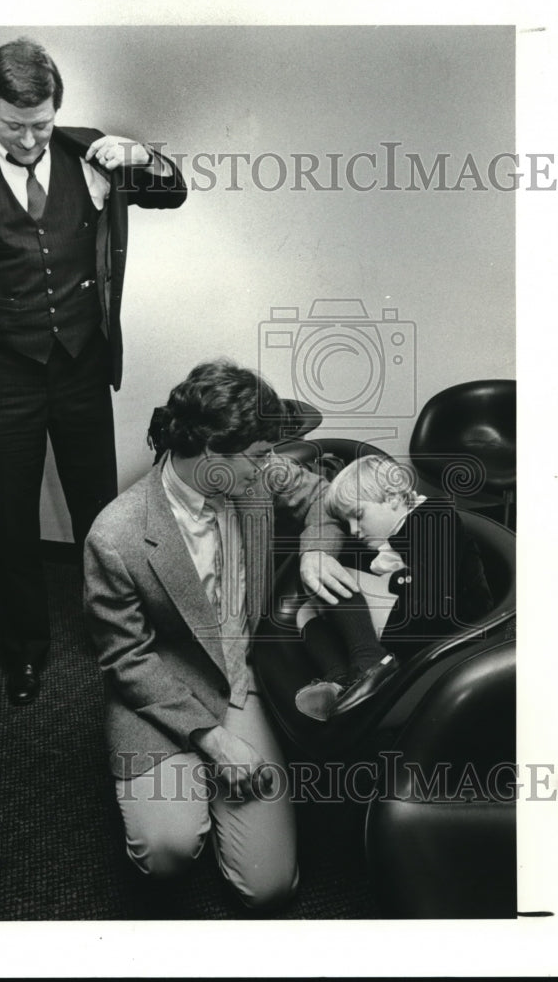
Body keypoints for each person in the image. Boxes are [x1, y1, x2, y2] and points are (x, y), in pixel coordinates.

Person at [0, 38, 187, 705]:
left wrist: (142, 156)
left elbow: (174, 192)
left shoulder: (89, 152)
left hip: (79, 365)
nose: (26, 139)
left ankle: (115, 639)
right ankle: (24, 649)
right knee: (12, 517)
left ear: (57, 111)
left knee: (98, 510)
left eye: (40, 124)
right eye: (13, 125)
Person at [83, 360, 355, 910]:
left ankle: (208, 796)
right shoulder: (115, 536)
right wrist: (213, 741)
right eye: (258, 457)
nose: (271, 467)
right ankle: (185, 799)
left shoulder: (255, 472)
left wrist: (315, 549)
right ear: (212, 457)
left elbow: (324, 500)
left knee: (269, 887)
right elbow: (127, 660)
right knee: (166, 852)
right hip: (164, 690)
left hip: (242, 675)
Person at [293, 453, 494, 722]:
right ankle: (341, 682)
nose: (353, 530)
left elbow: (429, 604)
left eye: (358, 516)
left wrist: (383, 583)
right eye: (347, 522)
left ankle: (369, 663)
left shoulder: (433, 517)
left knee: (329, 576)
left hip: (442, 634)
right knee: (307, 609)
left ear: (393, 498)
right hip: (409, 620)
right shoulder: (394, 531)